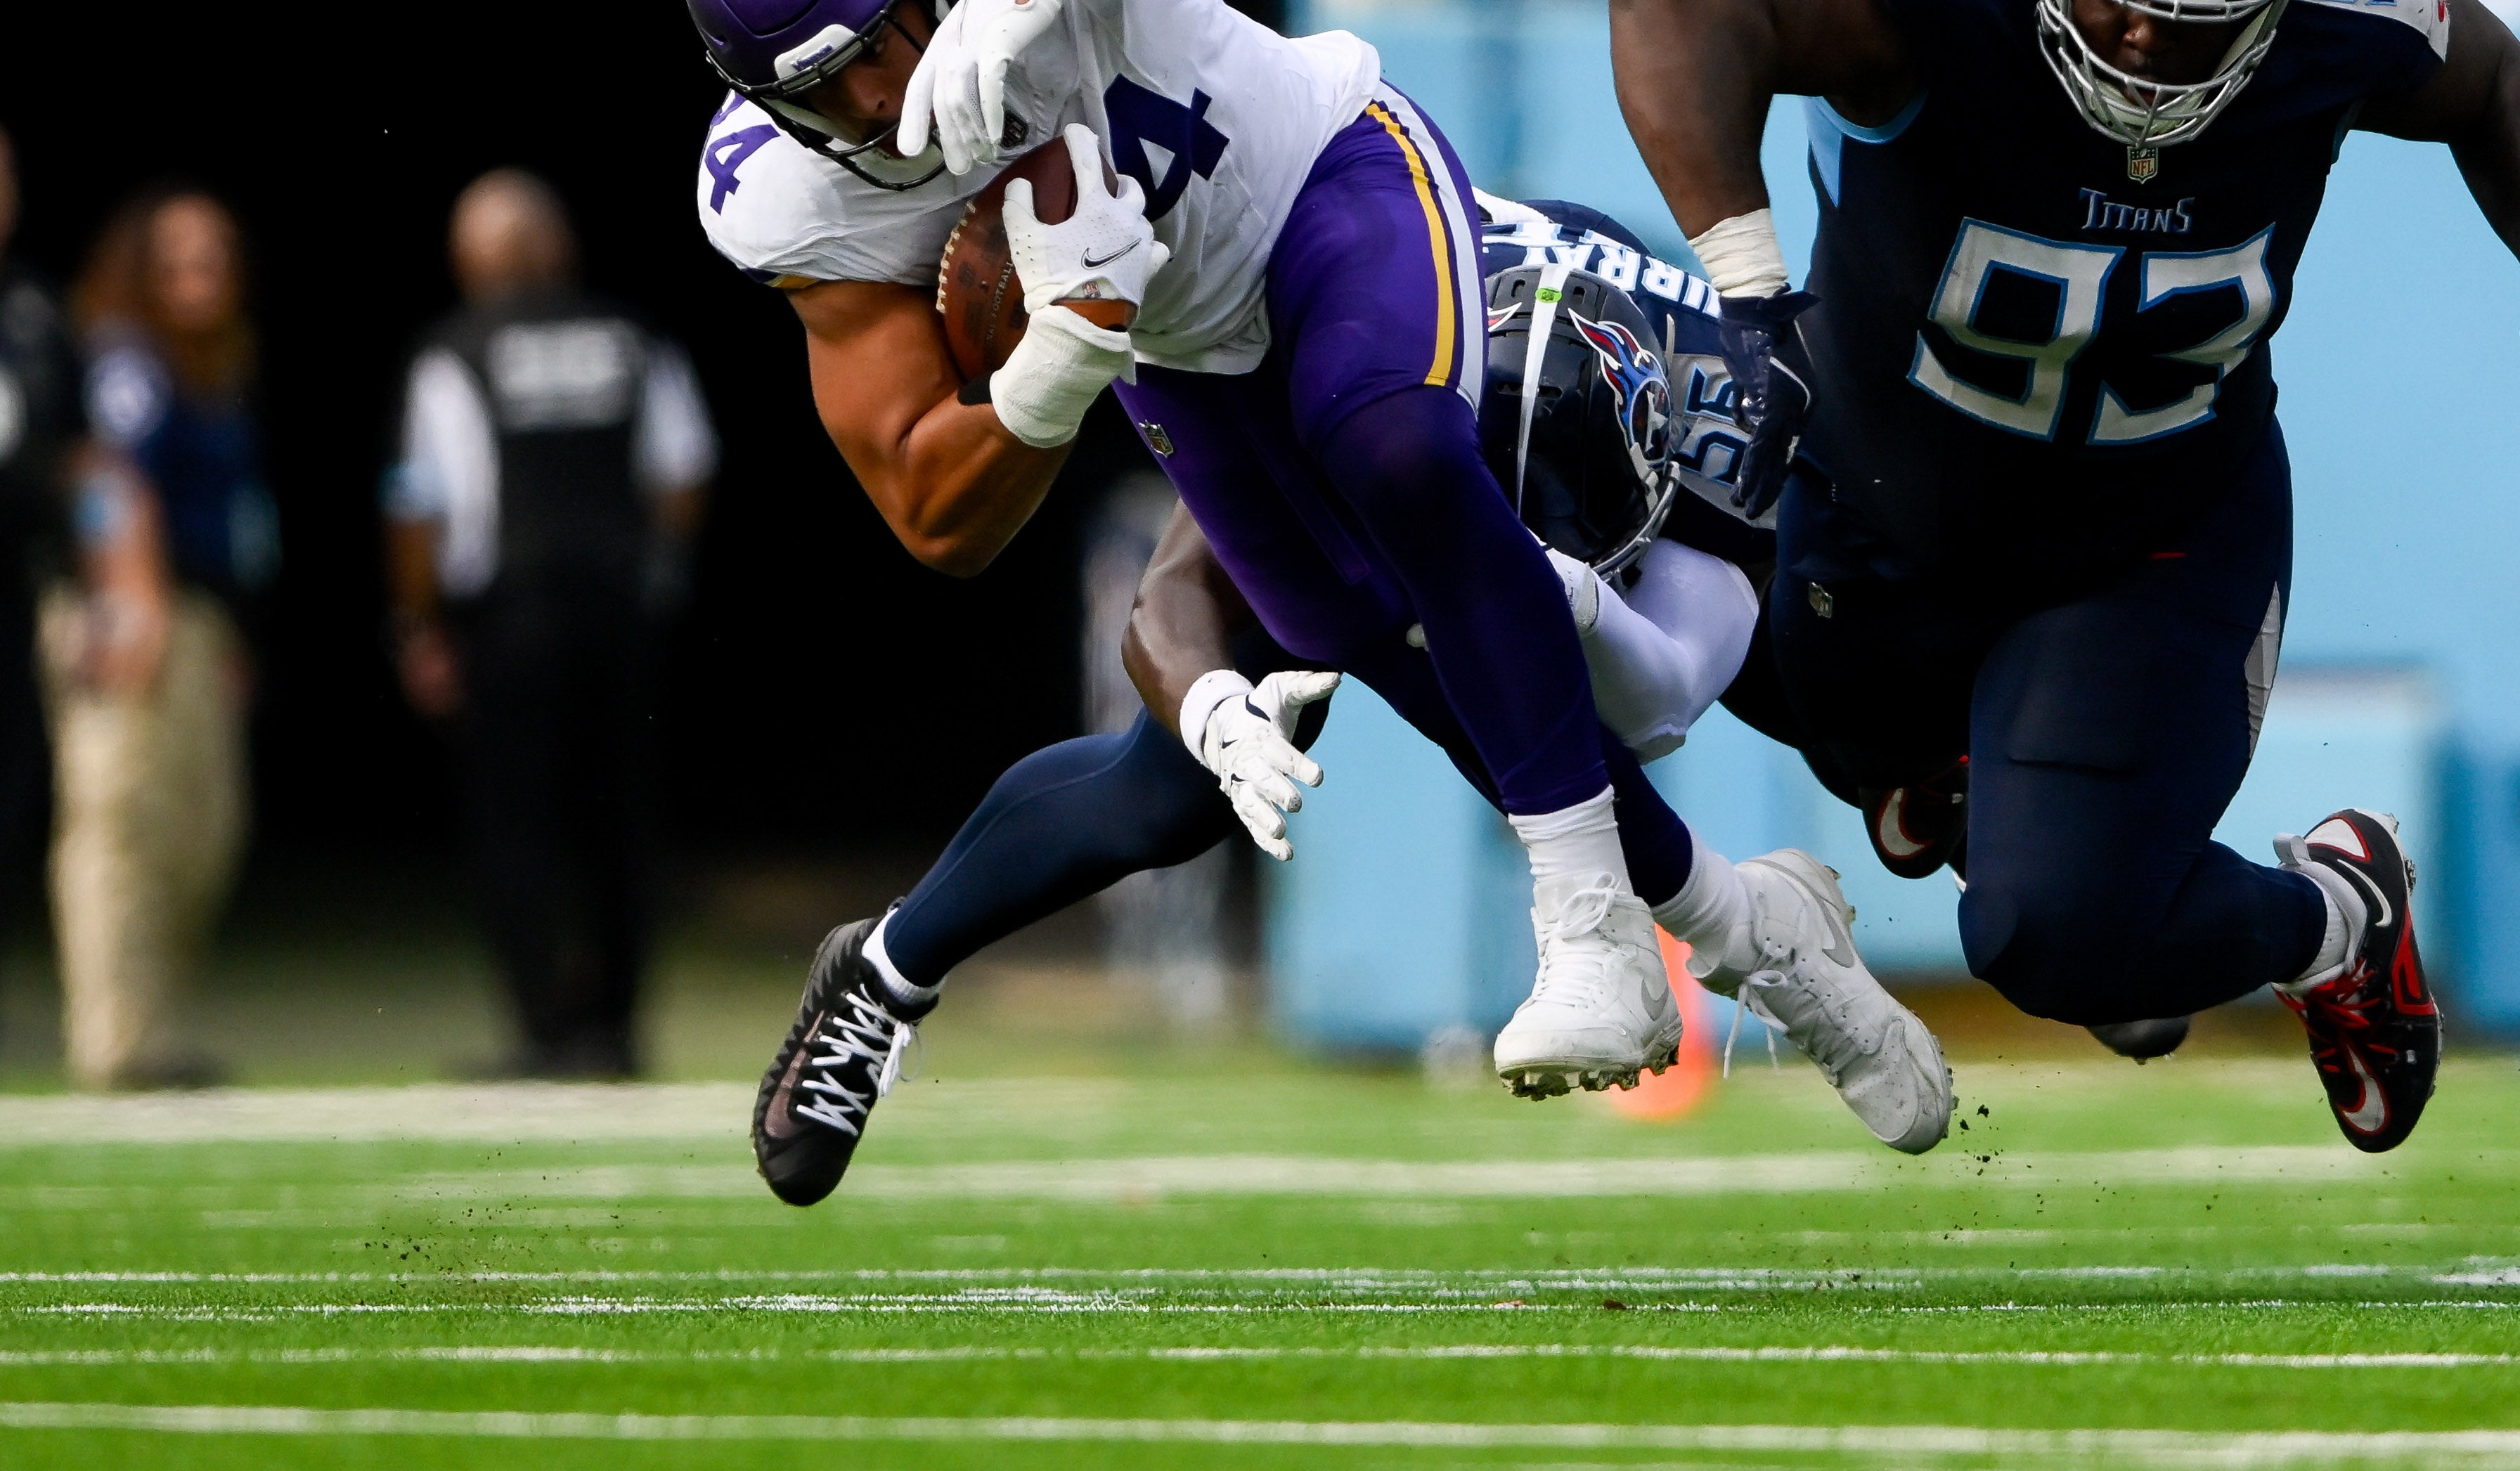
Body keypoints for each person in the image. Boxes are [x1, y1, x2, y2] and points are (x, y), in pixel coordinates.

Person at [675, 0, 1946, 1202]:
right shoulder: (788, 190)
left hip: (1332, 190)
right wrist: (1057, 362)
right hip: (1182, 359)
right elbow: (930, 507)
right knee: (1345, 653)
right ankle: (1748, 934)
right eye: (828, 91)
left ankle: (1659, 919)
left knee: (1403, 448)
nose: (884, 101)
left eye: (890, 36)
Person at [1606, 0, 2520, 1154]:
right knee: (1623, 570)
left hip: (2141, 537)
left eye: (2192, 28)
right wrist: (1748, 290)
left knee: (2057, 939)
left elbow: (2488, 75)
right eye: (2119, 6)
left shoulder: (2335, 9)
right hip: (1875, 496)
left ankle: (2337, 916)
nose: (2142, 46)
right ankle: (1944, 774)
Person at [744, 179, 1952, 1206]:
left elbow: (1657, 702)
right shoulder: (1370, 357)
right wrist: (1217, 710)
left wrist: (1553, 593)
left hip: (1604, 554)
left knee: (1851, 705)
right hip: (1377, 404)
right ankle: (884, 970)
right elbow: (1169, 603)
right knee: (1163, 795)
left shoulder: (1727, 419)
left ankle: (1993, 884)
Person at [385, 170, 715, 1078]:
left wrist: (420, 624)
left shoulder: (455, 349)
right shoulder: (631, 337)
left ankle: (542, 1026)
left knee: (515, 823)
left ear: (468, 260)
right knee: (620, 819)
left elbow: (422, 501)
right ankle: (613, 1026)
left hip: (512, 619)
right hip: (618, 610)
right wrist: (648, 571)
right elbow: (683, 469)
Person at [48, 190, 273, 1090]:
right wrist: (129, 599)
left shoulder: (215, 364)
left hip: (196, 618)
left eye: (216, 255)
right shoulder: (128, 360)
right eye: (180, 257)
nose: (202, 275)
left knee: (204, 832)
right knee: (121, 828)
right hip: (136, 611)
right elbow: (105, 477)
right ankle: (116, 1043)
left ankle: (151, 1029)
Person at [0, 130, 88, 1049]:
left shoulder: (35, 309)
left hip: (17, 598)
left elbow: (81, 456)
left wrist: (96, 582)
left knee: (18, 796)